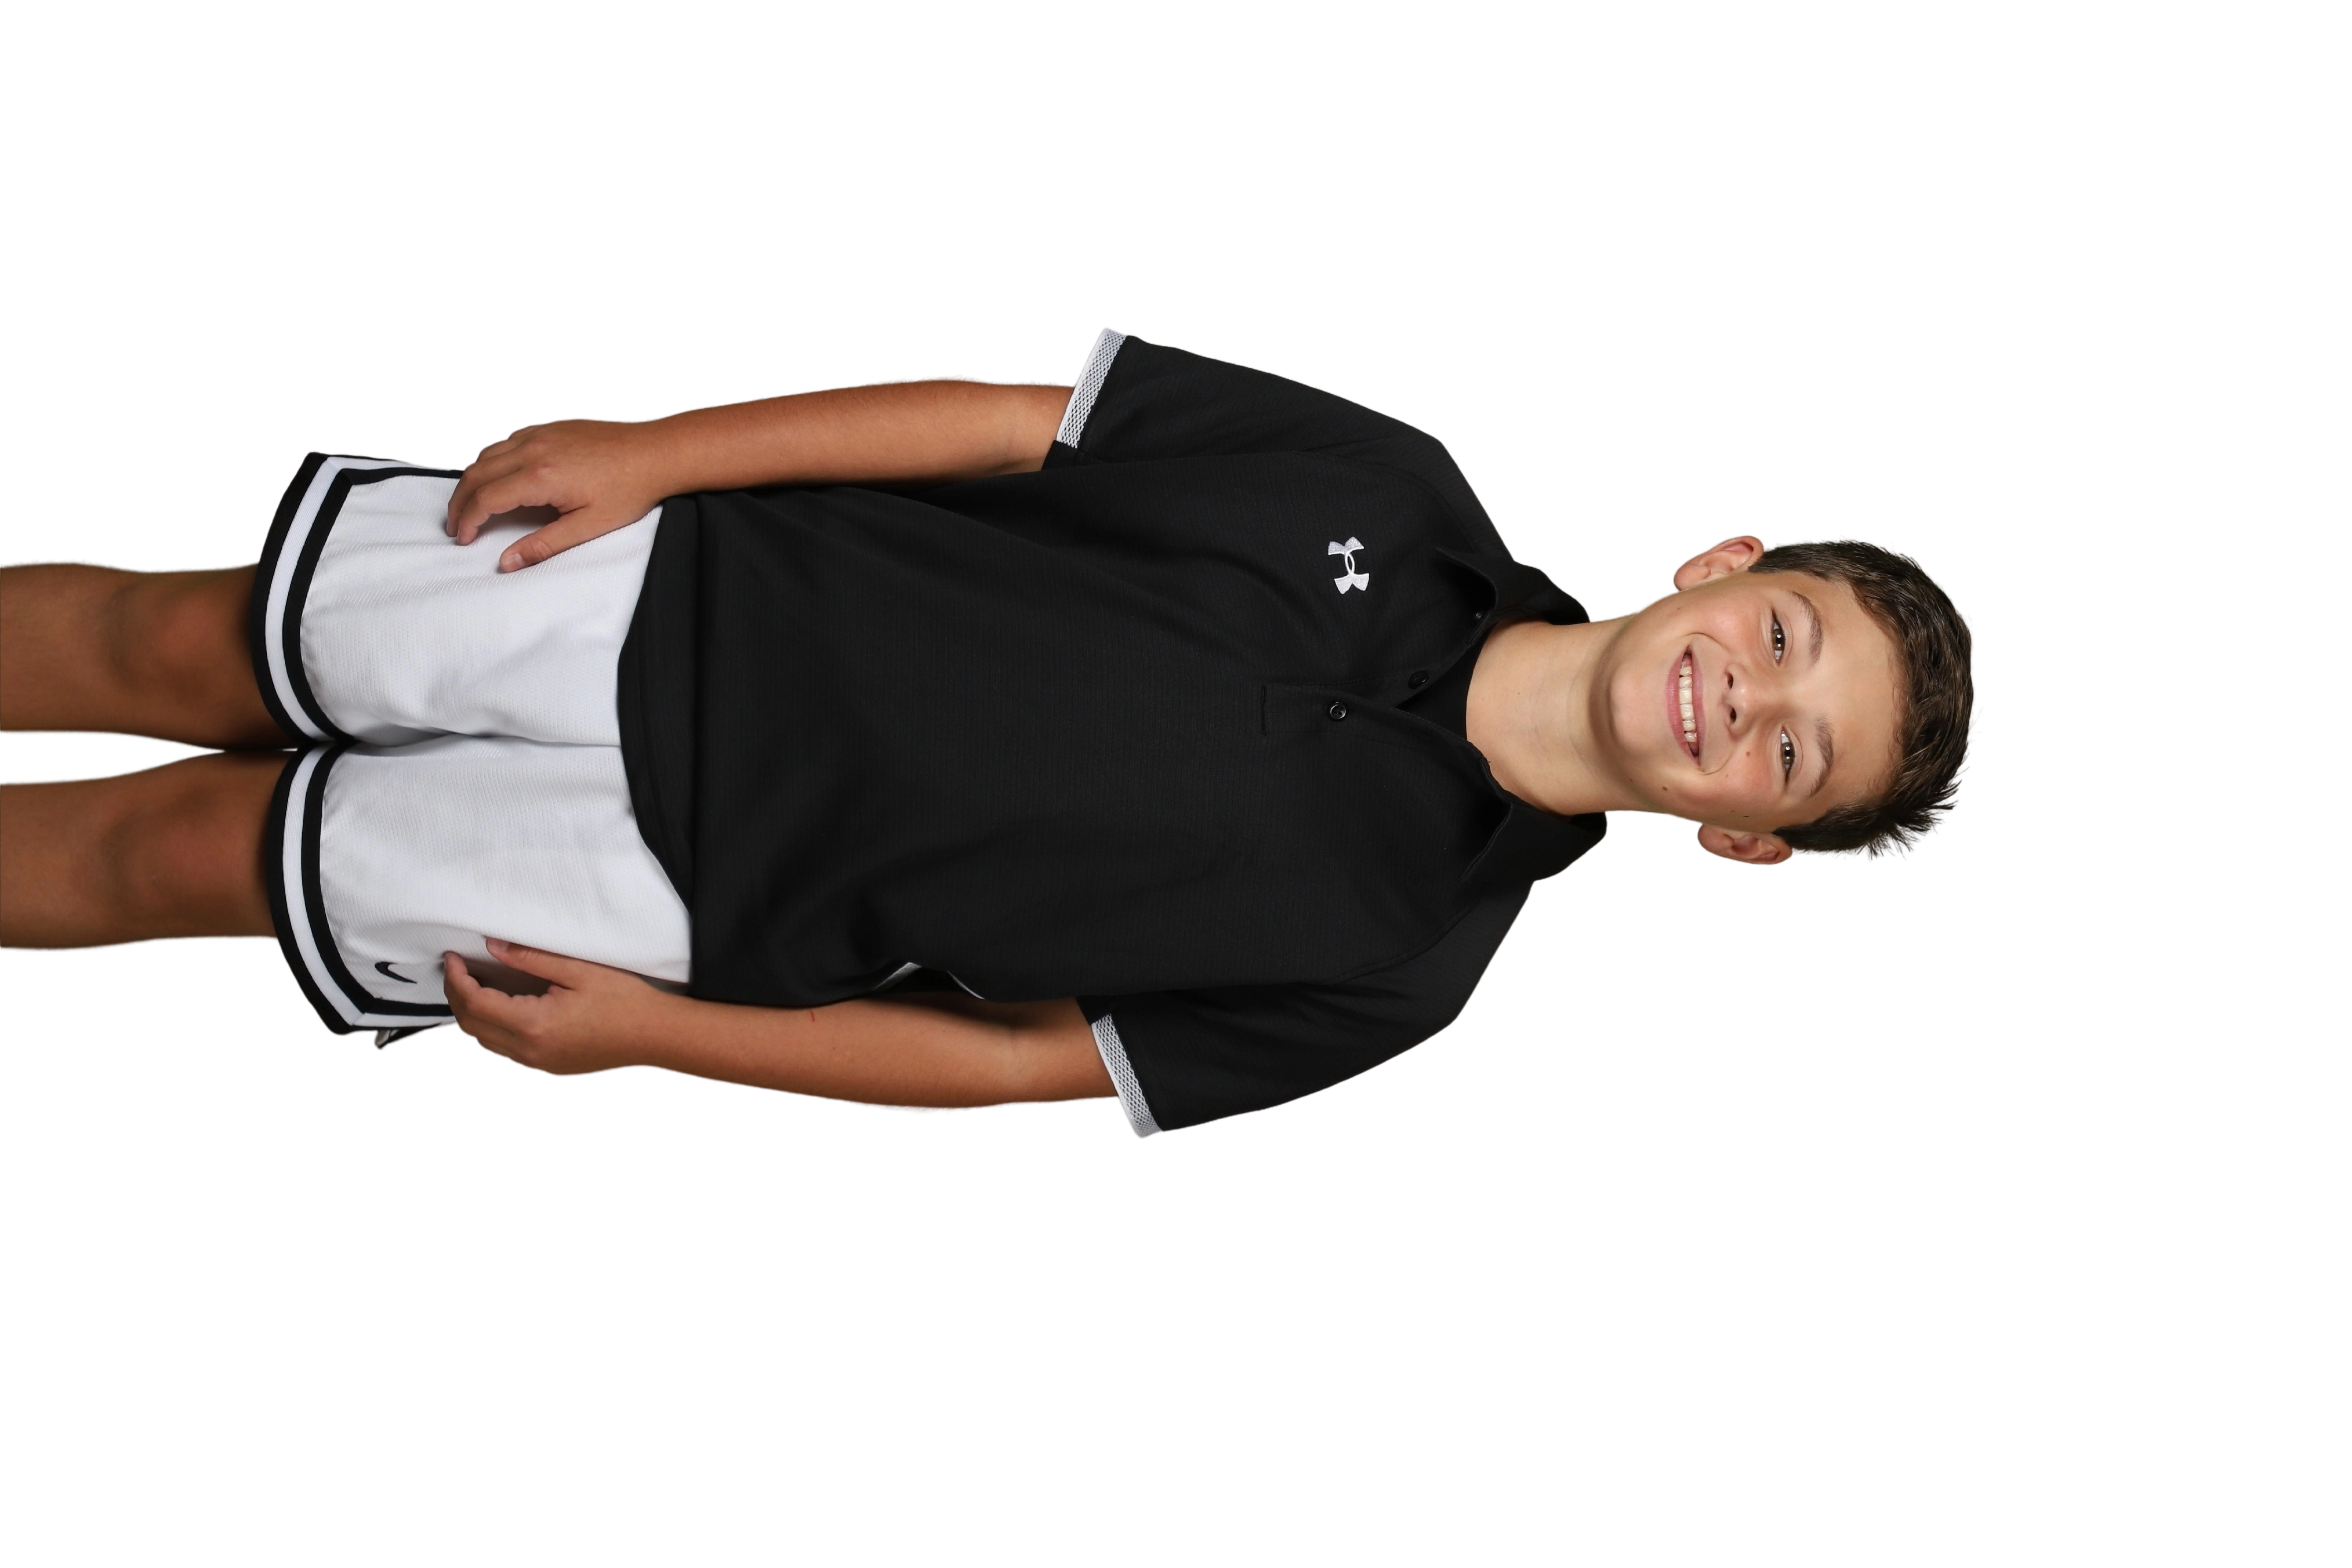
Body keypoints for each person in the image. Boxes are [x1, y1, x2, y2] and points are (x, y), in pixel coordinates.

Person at [0, 329, 1980, 1136]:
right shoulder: (1390, 473)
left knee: (174, 860)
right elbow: (1014, 427)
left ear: (1747, 839)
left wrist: (663, 1038)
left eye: (1791, 754)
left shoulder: (1407, 968)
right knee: (179, 639)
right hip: (670, 584)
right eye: (1784, 635)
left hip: (680, 901)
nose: (1747, 698)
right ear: (1728, 563)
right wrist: (661, 450)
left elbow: (1027, 1061)